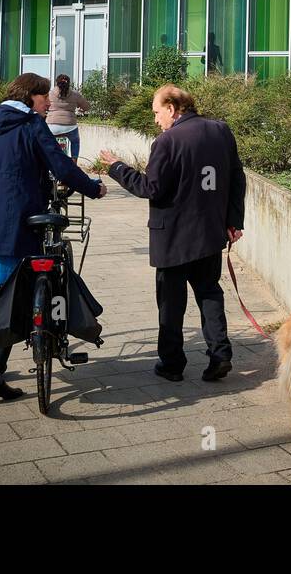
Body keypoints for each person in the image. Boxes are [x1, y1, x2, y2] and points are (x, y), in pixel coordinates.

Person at [0, 73, 108, 405]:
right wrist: (94, 188)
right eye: (43, 98)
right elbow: (63, 167)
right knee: (7, 301)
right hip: (16, 224)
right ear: (30, 98)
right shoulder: (30, 124)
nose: (49, 103)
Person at [98, 84, 246, 383]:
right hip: (209, 233)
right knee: (209, 294)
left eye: (156, 113)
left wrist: (116, 167)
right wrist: (234, 221)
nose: (156, 120)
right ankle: (220, 354)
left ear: (171, 108)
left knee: (170, 304)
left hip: (173, 238)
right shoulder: (221, 131)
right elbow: (236, 178)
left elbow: (149, 188)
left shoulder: (167, 141)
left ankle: (172, 364)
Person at [45, 73, 90, 161]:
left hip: (52, 126)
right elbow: (87, 106)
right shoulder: (75, 94)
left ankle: (47, 162)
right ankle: (74, 162)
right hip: (70, 126)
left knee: (46, 142)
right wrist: (82, 110)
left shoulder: (49, 94)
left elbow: (43, 105)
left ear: (56, 83)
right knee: (75, 142)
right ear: (69, 83)